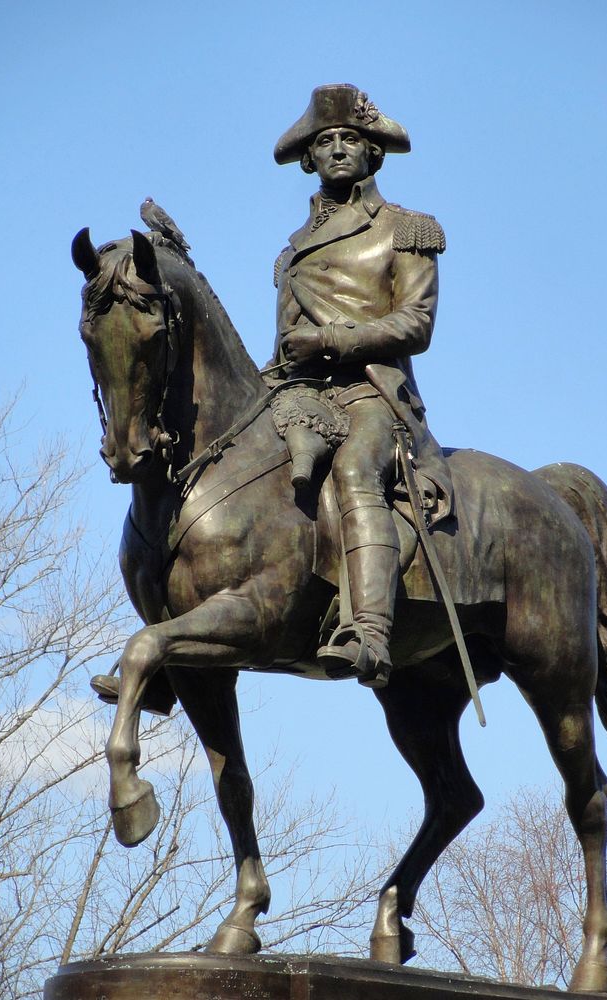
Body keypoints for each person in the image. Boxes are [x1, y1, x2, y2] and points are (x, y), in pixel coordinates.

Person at [271, 84, 451, 689]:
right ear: (308, 158)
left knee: (355, 473)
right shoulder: (292, 252)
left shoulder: (407, 229)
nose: (339, 149)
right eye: (326, 141)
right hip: (302, 395)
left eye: (352, 139)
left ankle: (368, 632)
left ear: (373, 154)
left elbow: (415, 324)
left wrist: (332, 342)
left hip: (374, 395)